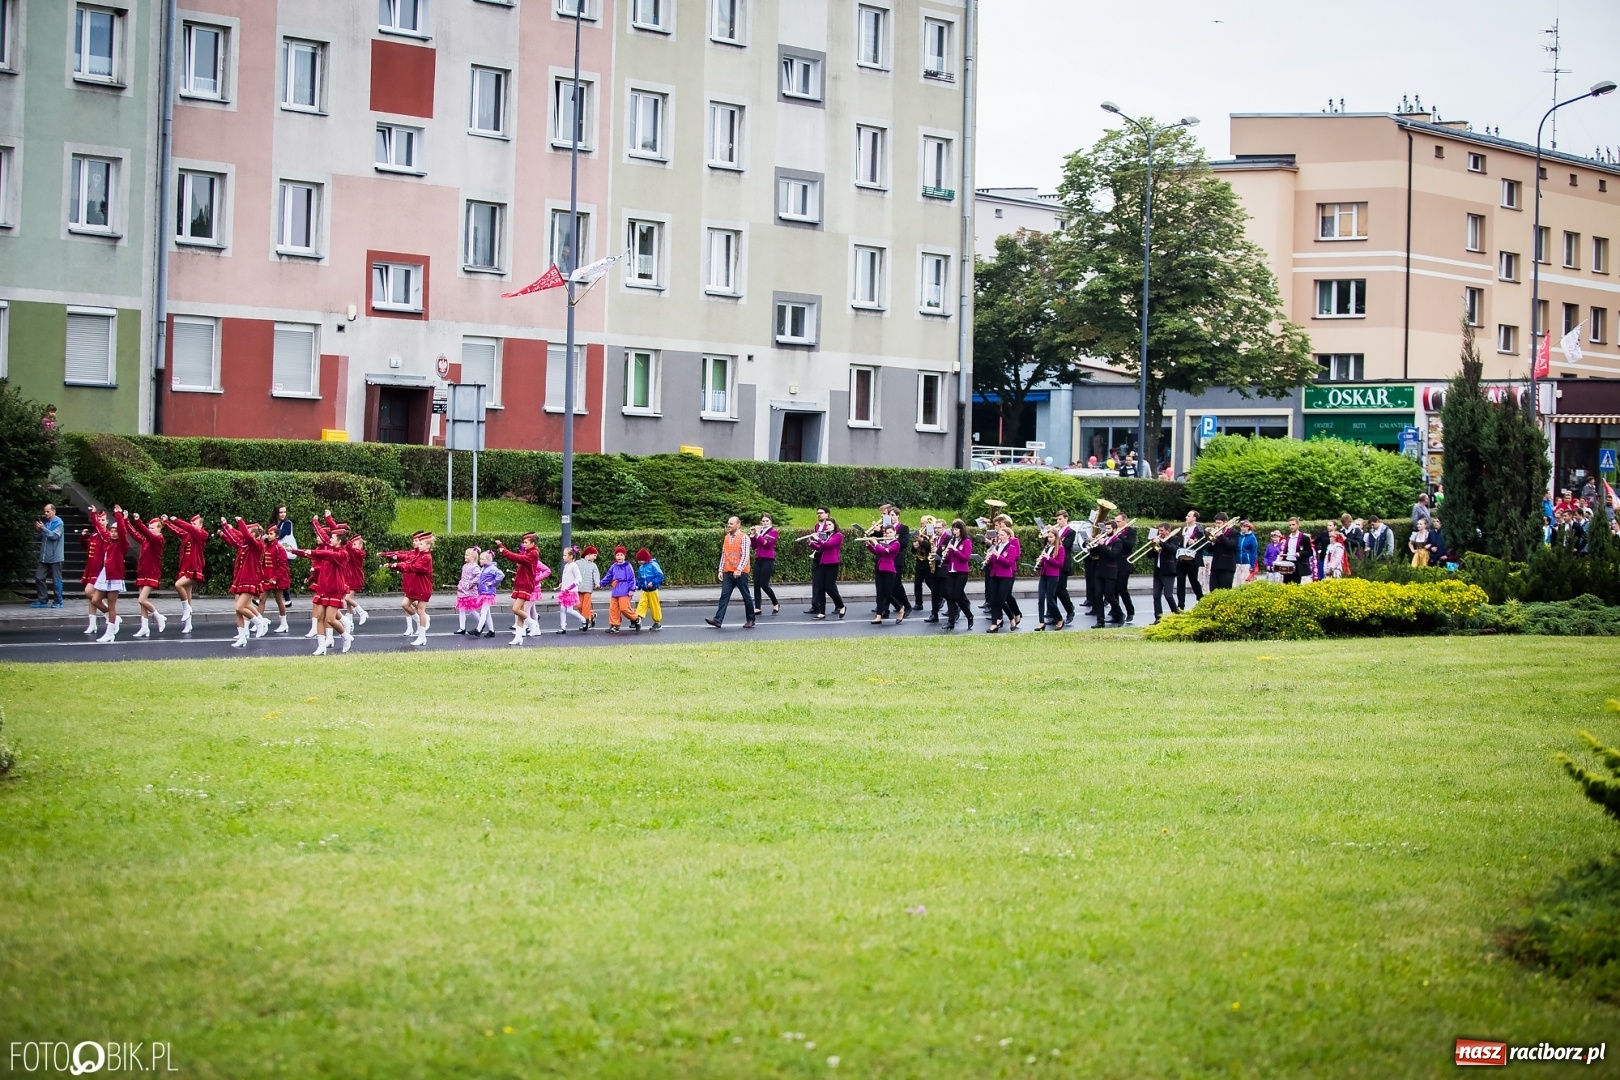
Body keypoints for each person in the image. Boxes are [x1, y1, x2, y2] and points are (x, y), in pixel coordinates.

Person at [218, 516, 266, 648]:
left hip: (250, 579)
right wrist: (226, 527)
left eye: (250, 532)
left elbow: (245, 535)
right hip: (241, 578)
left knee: (239, 606)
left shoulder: (257, 545)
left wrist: (240, 521)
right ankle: (242, 637)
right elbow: (237, 537)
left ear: (256, 536)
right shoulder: (245, 544)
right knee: (239, 610)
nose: (247, 534)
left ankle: (259, 622)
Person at [382, 532, 435, 647]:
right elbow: (408, 562)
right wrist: (394, 565)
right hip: (415, 586)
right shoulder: (418, 555)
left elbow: (416, 567)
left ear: (428, 546)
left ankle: (422, 637)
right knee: (405, 604)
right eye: (418, 543)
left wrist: (400, 566)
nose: (418, 545)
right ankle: (418, 621)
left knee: (421, 610)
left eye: (421, 544)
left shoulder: (427, 557)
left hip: (423, 587)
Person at [88, 505, 131, 643]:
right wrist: (94, 514)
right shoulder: (107, 540)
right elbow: (101, 529)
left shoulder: (122, 544)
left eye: (115, 531)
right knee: (95, 600)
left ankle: (110, 633)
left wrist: (118, 515)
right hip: (104, 574)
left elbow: (123, 532)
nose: (112, 533)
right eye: (111, 531)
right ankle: (114, 619)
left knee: (112, 606)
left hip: (115, 576)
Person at [163, 513, 210, 633]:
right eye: (192, 524)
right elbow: (178, 531)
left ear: (201, 525)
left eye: (195, 524)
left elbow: (188, 528)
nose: (192, 526)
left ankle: (186, 609)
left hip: (195, 566)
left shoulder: (202, 534)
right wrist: (167, 522)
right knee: (188, 595)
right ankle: (188, 624)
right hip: (185, 566)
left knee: (178, 585)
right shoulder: (187, 534)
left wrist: (177, 520)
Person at [496, 533, 544, 646]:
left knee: (516, 609)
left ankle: (532, 623)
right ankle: (518, 637)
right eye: (524, 542)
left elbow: (516, 558)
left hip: (525, 585)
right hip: (520, 584)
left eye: (526, 542)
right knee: (520, 613)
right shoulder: (528, 552)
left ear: (533, 543)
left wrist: (503, 550)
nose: (524, 544)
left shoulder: (533, 554)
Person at [706, 520, 755, 630]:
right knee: (724, 596)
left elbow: (745, 555)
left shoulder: (744, 538)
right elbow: (724, 555)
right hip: (728, 572)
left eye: (731, 524)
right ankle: (718, 620)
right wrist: (720, 570)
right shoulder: (727, 537)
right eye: (728, 523)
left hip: (740, 573)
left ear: (738, 525)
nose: (729, 525)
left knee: (746, 596)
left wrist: (739, 569)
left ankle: (751, 619)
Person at [127, 512, 169, 637]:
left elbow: (146, 533)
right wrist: (126, 521)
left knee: (142, 599)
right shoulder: (147, 538)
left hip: (152, 572)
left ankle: (158, 616)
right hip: (143, 571)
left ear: (159, 528)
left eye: (152, 528)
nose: (150, 530)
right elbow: (135, 534)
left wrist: (139, 521)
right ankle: (144, 627)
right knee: (141, 602)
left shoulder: (158, 539)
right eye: (149, 527)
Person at [806, 510, 846, 620]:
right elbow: (821, 548)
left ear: (834, 525)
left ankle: (841, 606)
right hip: (823, 562)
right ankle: (822, 612)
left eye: (830, 524)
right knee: (820, 588)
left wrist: (818, 539)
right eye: (826, 525)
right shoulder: (827, 536)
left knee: (830, 588)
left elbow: (828, 545)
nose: (827, 526)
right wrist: (811, 543)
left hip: (832, 563)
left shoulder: (838, 535)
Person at [982, 523, 1019, 632]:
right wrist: (988, 559)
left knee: (1001, 600)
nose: (1000, 537)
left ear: (1008, 536)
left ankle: (1011, 617)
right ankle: (994, 623)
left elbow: (1009, 563)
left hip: (1006, 575)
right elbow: (993, 562)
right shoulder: (997, 547)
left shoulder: (1011, 548)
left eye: (1002, 535)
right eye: (999, 535)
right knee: (993, 600)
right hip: (994, 574)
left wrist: (998, 556)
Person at [939, 518, 974, 630]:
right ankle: (951, 622)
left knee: (957, 595)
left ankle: (969, 615)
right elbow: (949, 559)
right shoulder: (953, 541)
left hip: (961, 572)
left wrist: (954, 549)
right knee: (950, 596)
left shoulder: (966, 542)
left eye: (956, 529)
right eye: (953, 529)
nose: (954, 532)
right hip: (951, 571)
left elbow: (965, 558)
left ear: (961, 530)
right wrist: (945, 554)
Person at [1033, 525, 1066, 631]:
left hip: (1053, 575)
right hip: (1044, 574)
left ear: (1056, 538)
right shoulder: (1047, 547)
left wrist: (1048, 558)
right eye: (1048, 537)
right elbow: (1044, 562)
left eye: (1051, 537)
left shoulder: (1060, 548)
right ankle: (1041, 622)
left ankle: (1059, 619)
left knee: (1050, 600)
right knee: (1041, 598)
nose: (1049, 539)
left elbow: (1060, 564)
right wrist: (1040, 561)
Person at [31, 503, 64, 608]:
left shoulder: (59, 523)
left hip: (55, 557)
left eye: (48, 511)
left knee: (56, 580)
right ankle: (43, 600)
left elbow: (54, 536)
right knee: (39, 577)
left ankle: (58, 601)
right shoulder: (47, 523)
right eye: (45, 511)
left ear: (54, 511)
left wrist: (43, 529)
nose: (45, 513)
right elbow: (41, 537)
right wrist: (39, 530)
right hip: (44, 556)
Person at [78, 518, 107, 636]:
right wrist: (83, 537)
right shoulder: (95, 534)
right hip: (90, 568)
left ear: (107, 522)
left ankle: (109, 613)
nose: (101, 521)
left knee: (88, 592)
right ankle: (92, 624)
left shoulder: (105, 535)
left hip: (99, 569)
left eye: (103, 520)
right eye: (99, 519)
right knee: (91, 598)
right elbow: (88, 547)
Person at [1051, 509, 1078, 626]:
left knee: (1060, 589)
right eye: (1057, 519)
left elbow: (1066, 545)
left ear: (1066, 519)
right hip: (1053, 563)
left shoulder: (1070, 532)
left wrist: (1056, 536)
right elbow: (1048, 545)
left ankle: (1070, 610)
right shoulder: (1056, 531)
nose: (1058, 521)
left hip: (1063, 564)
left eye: (1060, 519)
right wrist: (1050, 534)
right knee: (1053, 591)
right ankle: (1055, 615)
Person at [1150, 523, 1181, 623]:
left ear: (1168, 530)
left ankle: (1176, 615)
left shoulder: (1174, 539)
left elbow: (1172, 549)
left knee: (1168, 595)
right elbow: (1149, 555)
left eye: (1162, 531)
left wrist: (1161, 543)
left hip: (1168, 571)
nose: (1160, 533)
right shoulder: (1158, 540)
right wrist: (1153, 546)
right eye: (1159, 531)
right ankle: (1158, 619)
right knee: (1156, 596)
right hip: (1158, 571)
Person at [750, 515, 780, 616]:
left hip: (768, 560)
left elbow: (767, 544)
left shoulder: (773, 532)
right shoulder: (761, 532)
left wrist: (758, 535)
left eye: (767, 521)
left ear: (770, 521)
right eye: (763, 521)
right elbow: (754, 546)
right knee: (756, 585)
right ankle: (757, 607)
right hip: (758, 559)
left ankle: (775, 603)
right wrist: (752, 535)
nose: (765, 523)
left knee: (764, 585)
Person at [554, 547, 588, 634]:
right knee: (562, 609)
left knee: (569, 610)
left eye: (565, 555)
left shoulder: (574, 566)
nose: (563, 557)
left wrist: (570, 587)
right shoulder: (567, 565)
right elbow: (567, 577)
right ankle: (563, 627)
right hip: (565, 591)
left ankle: (583, 620)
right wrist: (562, 584)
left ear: (571, 556)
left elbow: (578, 579)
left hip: (570, 592)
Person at [1175, 511, 1204, 608]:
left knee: (1193, 581)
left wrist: (1194, 543)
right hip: (1182, 558)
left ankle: (1201, 599)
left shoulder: (1199, 530)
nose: (1186, 517)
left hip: (1192, 558)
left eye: (1188, 516)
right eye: (1187, 515)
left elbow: (1203, 545)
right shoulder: (1185, 529)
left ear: (1194, 518)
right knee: (1180, 581)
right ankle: (1181, 604)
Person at [1205, 513, 1239, 590]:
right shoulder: (1215, 534)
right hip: (1215, 567)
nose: (1217, 525)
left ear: (1225, 523)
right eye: (1216, 523)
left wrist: (1221, 536)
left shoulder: (1234, 533)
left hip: (1227, 567)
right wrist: (1213, 542)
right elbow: (1209, 550)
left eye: (1219, 523)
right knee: (1213, 592)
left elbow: (1231, 545)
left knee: (1224, 592)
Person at [634, 548, 665, 630]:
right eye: (638, 560)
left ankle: (657, 622)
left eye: (640, 560)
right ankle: (637, 619)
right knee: (641, 604)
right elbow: (640, 579)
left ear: (645, 559)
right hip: (645, 590)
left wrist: (653, 582)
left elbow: (660, 576)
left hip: (653, 590)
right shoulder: (641, 568)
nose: (639, 562)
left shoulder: (653, 565)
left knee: (654, 606)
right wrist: (638, 586)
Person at [454, 547, 482, 635]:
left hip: (470, 591)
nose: (465, 556)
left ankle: (481, 622)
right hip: (463, 590)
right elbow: (463, 577)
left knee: (471, 609)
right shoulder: (465, 566)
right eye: (465, 554)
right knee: (461, 609)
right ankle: (462, 628)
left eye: (467, 555)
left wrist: (471, 583)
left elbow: (479, 576)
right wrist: (460, 584)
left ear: (473, 557)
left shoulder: (475, 567)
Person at [474, 550, 503, 637]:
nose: (480, 560)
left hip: (488, 593)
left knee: (483, 612)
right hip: (483, 592)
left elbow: (501, 575)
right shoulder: (484, 568)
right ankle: (491, 631)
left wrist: (492, 583)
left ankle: (478, 629)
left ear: (488, 560)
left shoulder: (492, 568)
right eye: (480, 559)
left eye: (482, 559)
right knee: (487, 613)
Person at [1278, 518, 1314, 584]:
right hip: (1288, 563)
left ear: (1297, 525)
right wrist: (1283, 556)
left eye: (1293, 524)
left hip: (1298, 564)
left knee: (1296, 585)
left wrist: (1300, 554)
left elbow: (1310, 552)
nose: (1291, 526)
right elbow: (1286, 551)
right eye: (1290, 525)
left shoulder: (1304, 538)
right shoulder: (1288, 538)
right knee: (1286, 585)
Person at [578, 546, 602, 629]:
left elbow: (596, 575)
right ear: (589, 554)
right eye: (594, 555)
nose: (595, 558)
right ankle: (591, 615)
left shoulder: (593, 566)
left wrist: (597, 583)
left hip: (588, 589)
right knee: (579, 605)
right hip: (578, 588)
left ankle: (586, 623)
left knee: (585, 607)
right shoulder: (578, 563)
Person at [1235, 519, 1259, 584]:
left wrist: (1252, 566)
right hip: (1237, 563)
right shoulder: (1238, 536)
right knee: (1237, 582)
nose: (1242, 528)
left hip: (1247, 563)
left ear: (1248, 527)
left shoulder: (1252, 538)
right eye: (1241, 526)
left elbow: (1254, 553)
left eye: (1244, 526)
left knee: (1245, 582)